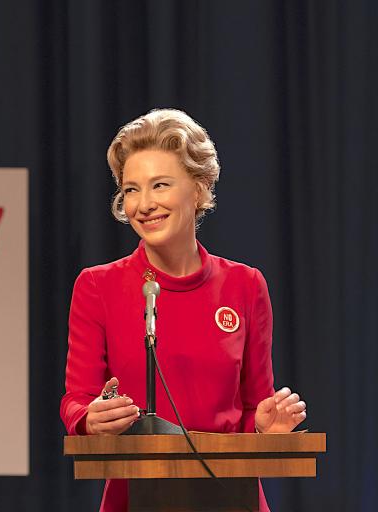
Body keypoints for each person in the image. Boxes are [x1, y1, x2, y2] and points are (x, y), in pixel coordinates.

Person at [59, 109, 307, 512]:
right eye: (131, 189)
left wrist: (266, 427)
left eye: (160, 185)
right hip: (135, 498)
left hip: (232, 498)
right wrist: (90, 419)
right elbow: (76, 401)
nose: (144, 204)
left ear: (199, 188)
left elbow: (251, 411)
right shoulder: (97, 286)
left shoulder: (245, 285)